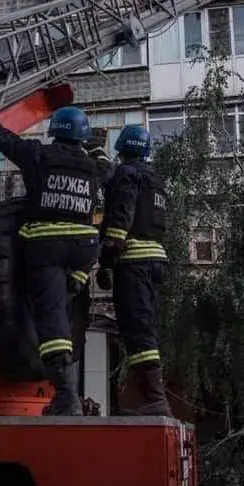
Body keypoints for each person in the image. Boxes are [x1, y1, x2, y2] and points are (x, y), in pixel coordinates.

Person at [0, 99, 112, 415]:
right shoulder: (93, 168)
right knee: (65, 304)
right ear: (81, 137)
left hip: (48, 246)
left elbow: (2, 137)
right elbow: (107, 168)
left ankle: (66, 395)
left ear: (54, 132)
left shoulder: (38, 155)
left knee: (51, 315)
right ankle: (72, 291)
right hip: (83, 250)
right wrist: (96, 148)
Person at [95, 124, 174, 417]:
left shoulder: (128, 175)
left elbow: (120, 217)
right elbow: (111, 182)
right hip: (155, 260)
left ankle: (155, 398)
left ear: (122, 149)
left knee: (136, 329)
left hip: (134, 262)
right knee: (147, 329)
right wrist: (96, 155)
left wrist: (105, 263)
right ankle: (151, 397)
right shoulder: (155, 180)